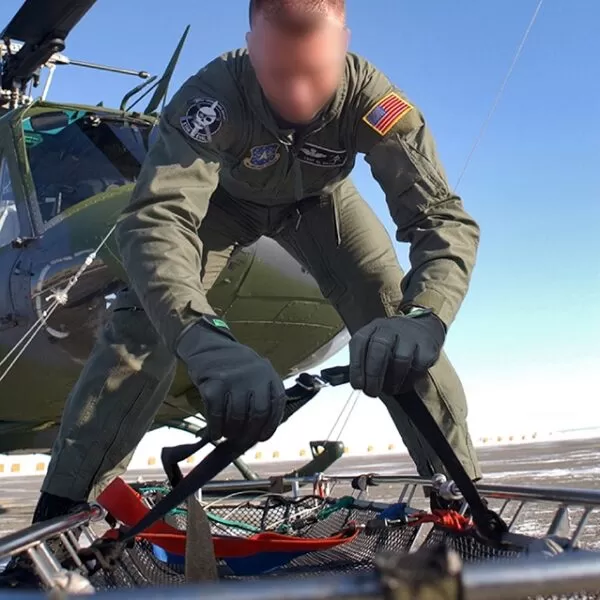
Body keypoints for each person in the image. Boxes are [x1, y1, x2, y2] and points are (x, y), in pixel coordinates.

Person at [31, 0, 482, 524]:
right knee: (142, 325)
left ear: (344, 45)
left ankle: (461, 500)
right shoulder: (211, 99)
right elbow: (157, 222)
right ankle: (62, 512)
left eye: (316, 73)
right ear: (251, 49)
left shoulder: (372, 99)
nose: (298, 95)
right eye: (279, 74)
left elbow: (439, 216)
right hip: (223, 205)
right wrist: (203, 341)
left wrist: (428, 316)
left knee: (393, 318)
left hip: (321, 202)